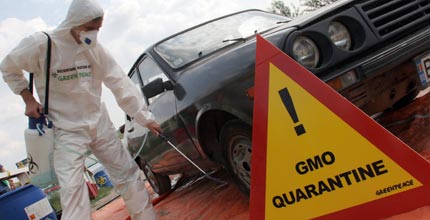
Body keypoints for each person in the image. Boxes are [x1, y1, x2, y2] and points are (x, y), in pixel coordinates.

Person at [0, 0, 162, 219]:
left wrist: (145, 117)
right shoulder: (41, 44)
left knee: (128, 175)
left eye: (98, 29)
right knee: (73, 192)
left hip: (100, 123)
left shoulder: (94, 49)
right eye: (90, 28)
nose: (94, 34)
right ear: (74, 23)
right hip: (66, 131)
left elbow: (119, 82)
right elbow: (8, 67)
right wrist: (28, 99)